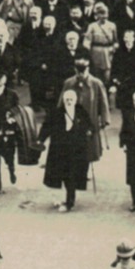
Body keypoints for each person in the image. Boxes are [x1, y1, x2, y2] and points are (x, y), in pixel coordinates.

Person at [41, 84, 99, 212]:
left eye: (71, 100)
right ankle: (63, 199)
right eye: (66, 100)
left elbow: (90, 126)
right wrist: (40, 140)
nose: (69, 102)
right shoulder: (56, 113)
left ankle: (70, 201)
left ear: (75, 100)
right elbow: (46, 127)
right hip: (59, 150)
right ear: (63, 100)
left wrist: (89, 131)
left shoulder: (81, 111)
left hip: (76, 150)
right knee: (59, 175)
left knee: (71, 176)